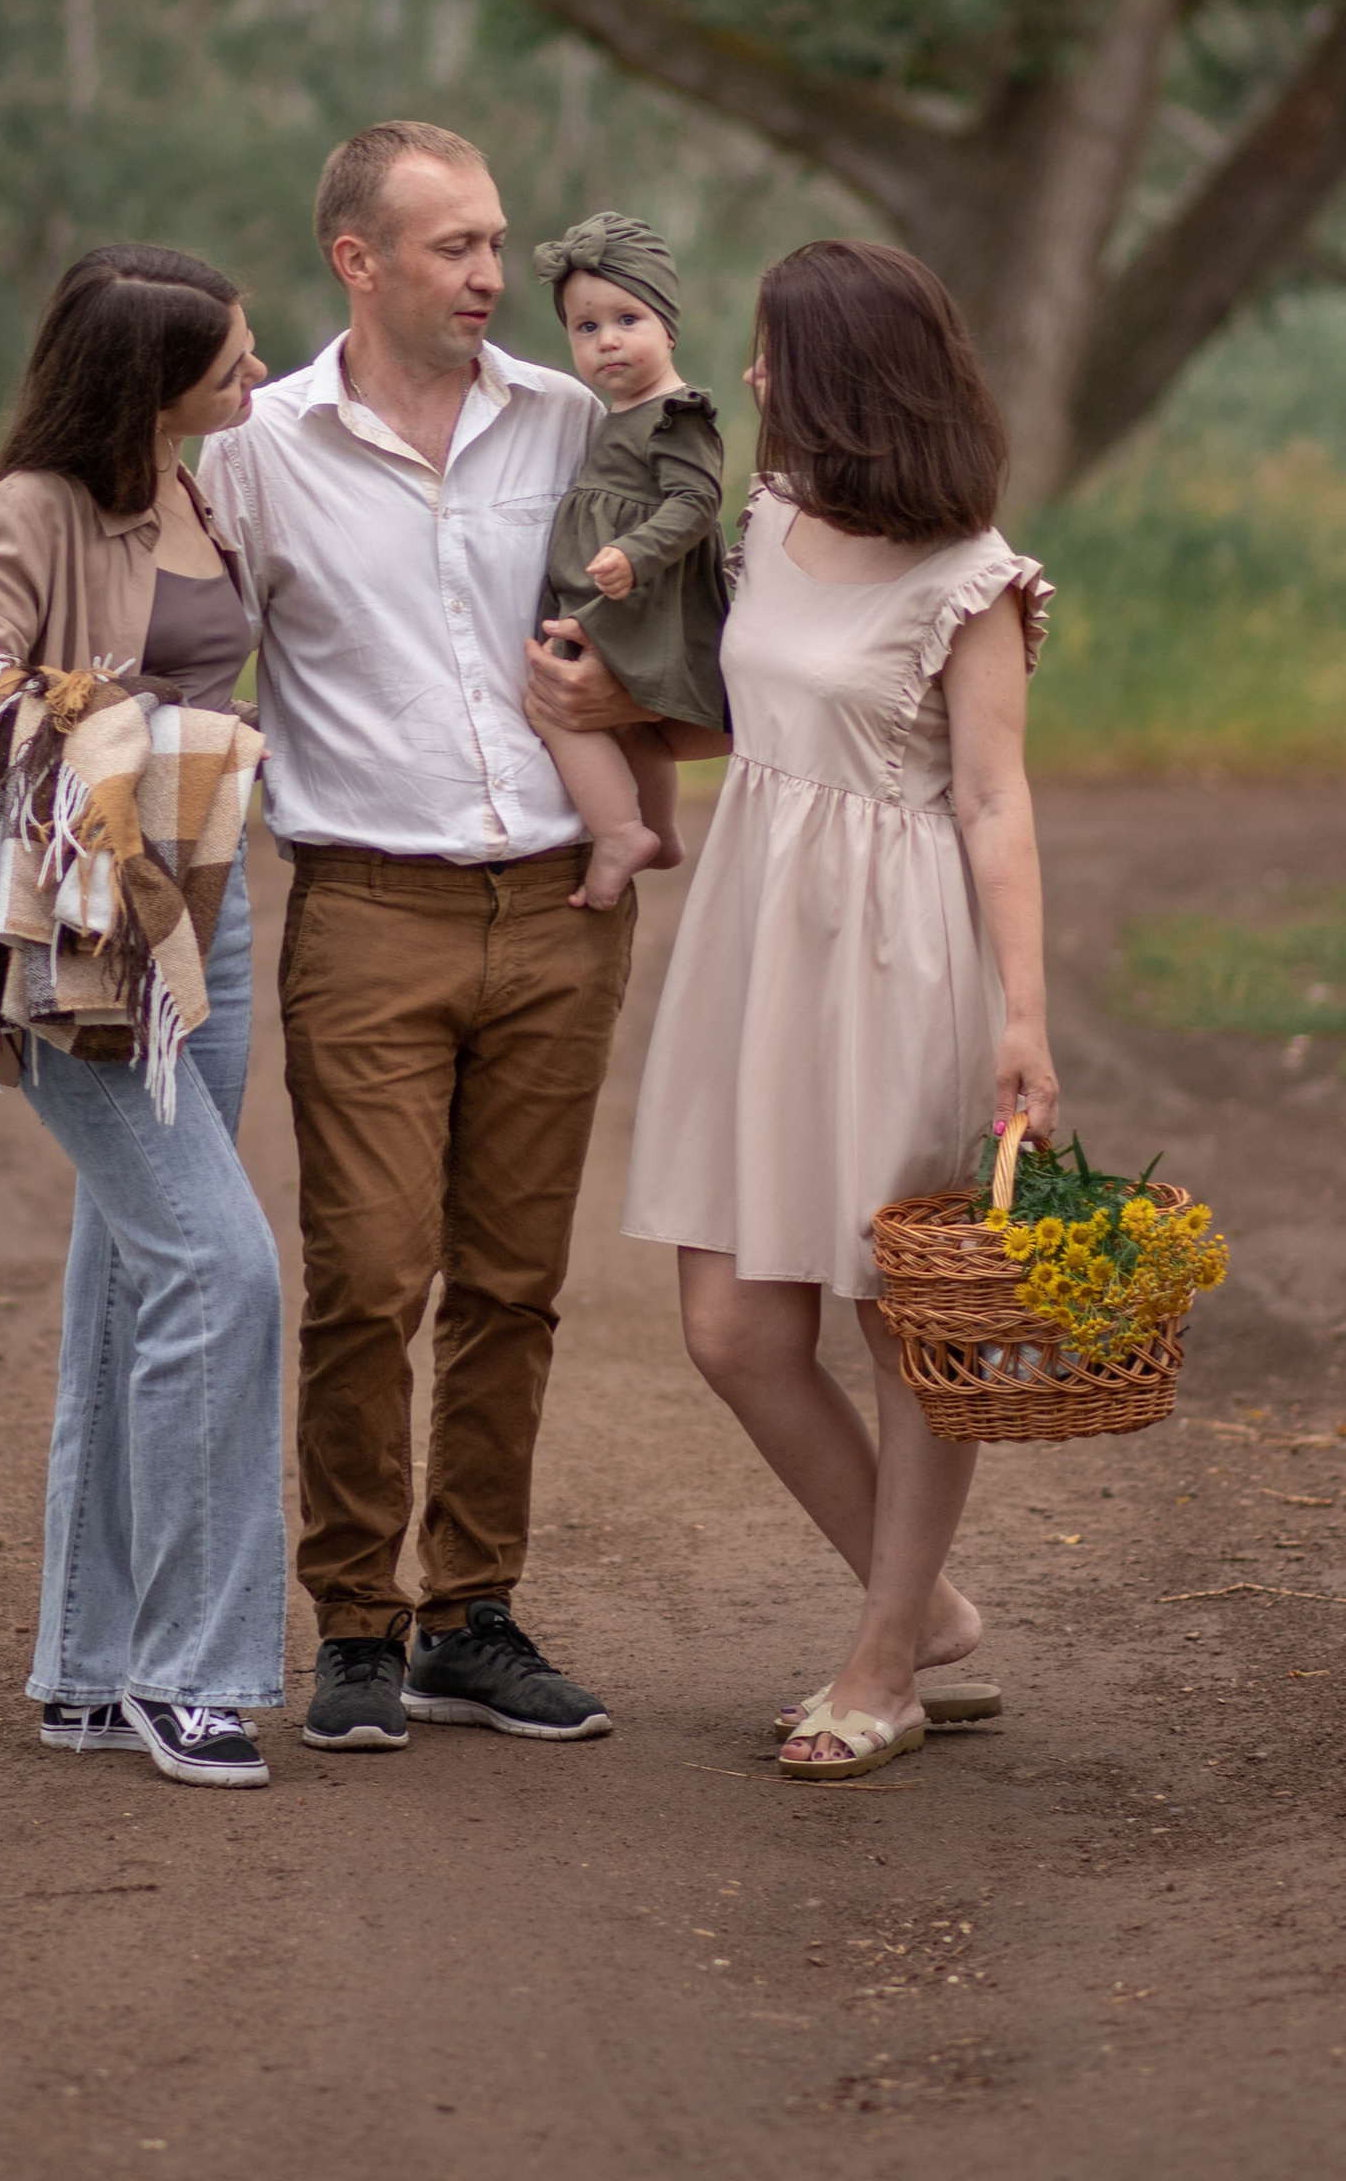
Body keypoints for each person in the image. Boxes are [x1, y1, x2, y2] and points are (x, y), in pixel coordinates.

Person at [200, 122, 687, 1757]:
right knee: (367, 1279)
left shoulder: (569, 423)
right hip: (367, 911)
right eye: (458, 248)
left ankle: (470, 1617)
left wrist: (627, 711)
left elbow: (677, 613)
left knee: (513, 1282)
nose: (497, 275)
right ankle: (353, 1622)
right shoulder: (256, 449)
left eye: (498, 245)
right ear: (359, 260)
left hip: (563, 906)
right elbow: (186, 645)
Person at [609, 239, 1057, 1784]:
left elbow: (995, 802)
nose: (747, 379)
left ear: (848, 380)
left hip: (899, 957)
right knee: (732, 1325)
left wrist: (1026, 1023)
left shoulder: (973, 579)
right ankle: (923, 1603)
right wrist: (598, 715)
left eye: (772, 356)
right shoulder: (774, 517)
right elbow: (752, 719)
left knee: (902, 1322)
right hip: (754, 946)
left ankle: (882, 1662)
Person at [0, 245, 287, 1792]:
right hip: (79, 941)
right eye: (234, 360)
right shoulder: (40, 510)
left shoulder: (212, 485)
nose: (259, 376)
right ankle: (188, 1675)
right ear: (150, 383)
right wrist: (74, 715)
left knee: (139, 1282)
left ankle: (84, 1661)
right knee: (223, 1269)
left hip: (214, 921)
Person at [527, 213, 729, 908]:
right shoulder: (616, 414)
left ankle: (619, 831)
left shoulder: (679, 413)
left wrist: (634, 555)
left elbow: (696, 501)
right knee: (627, 718)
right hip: (613, 592)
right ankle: (662, 831)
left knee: (554, 705)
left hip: (629, 597)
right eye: (586, 328)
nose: (607, 340)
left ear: (668, 327)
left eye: (628, 319)